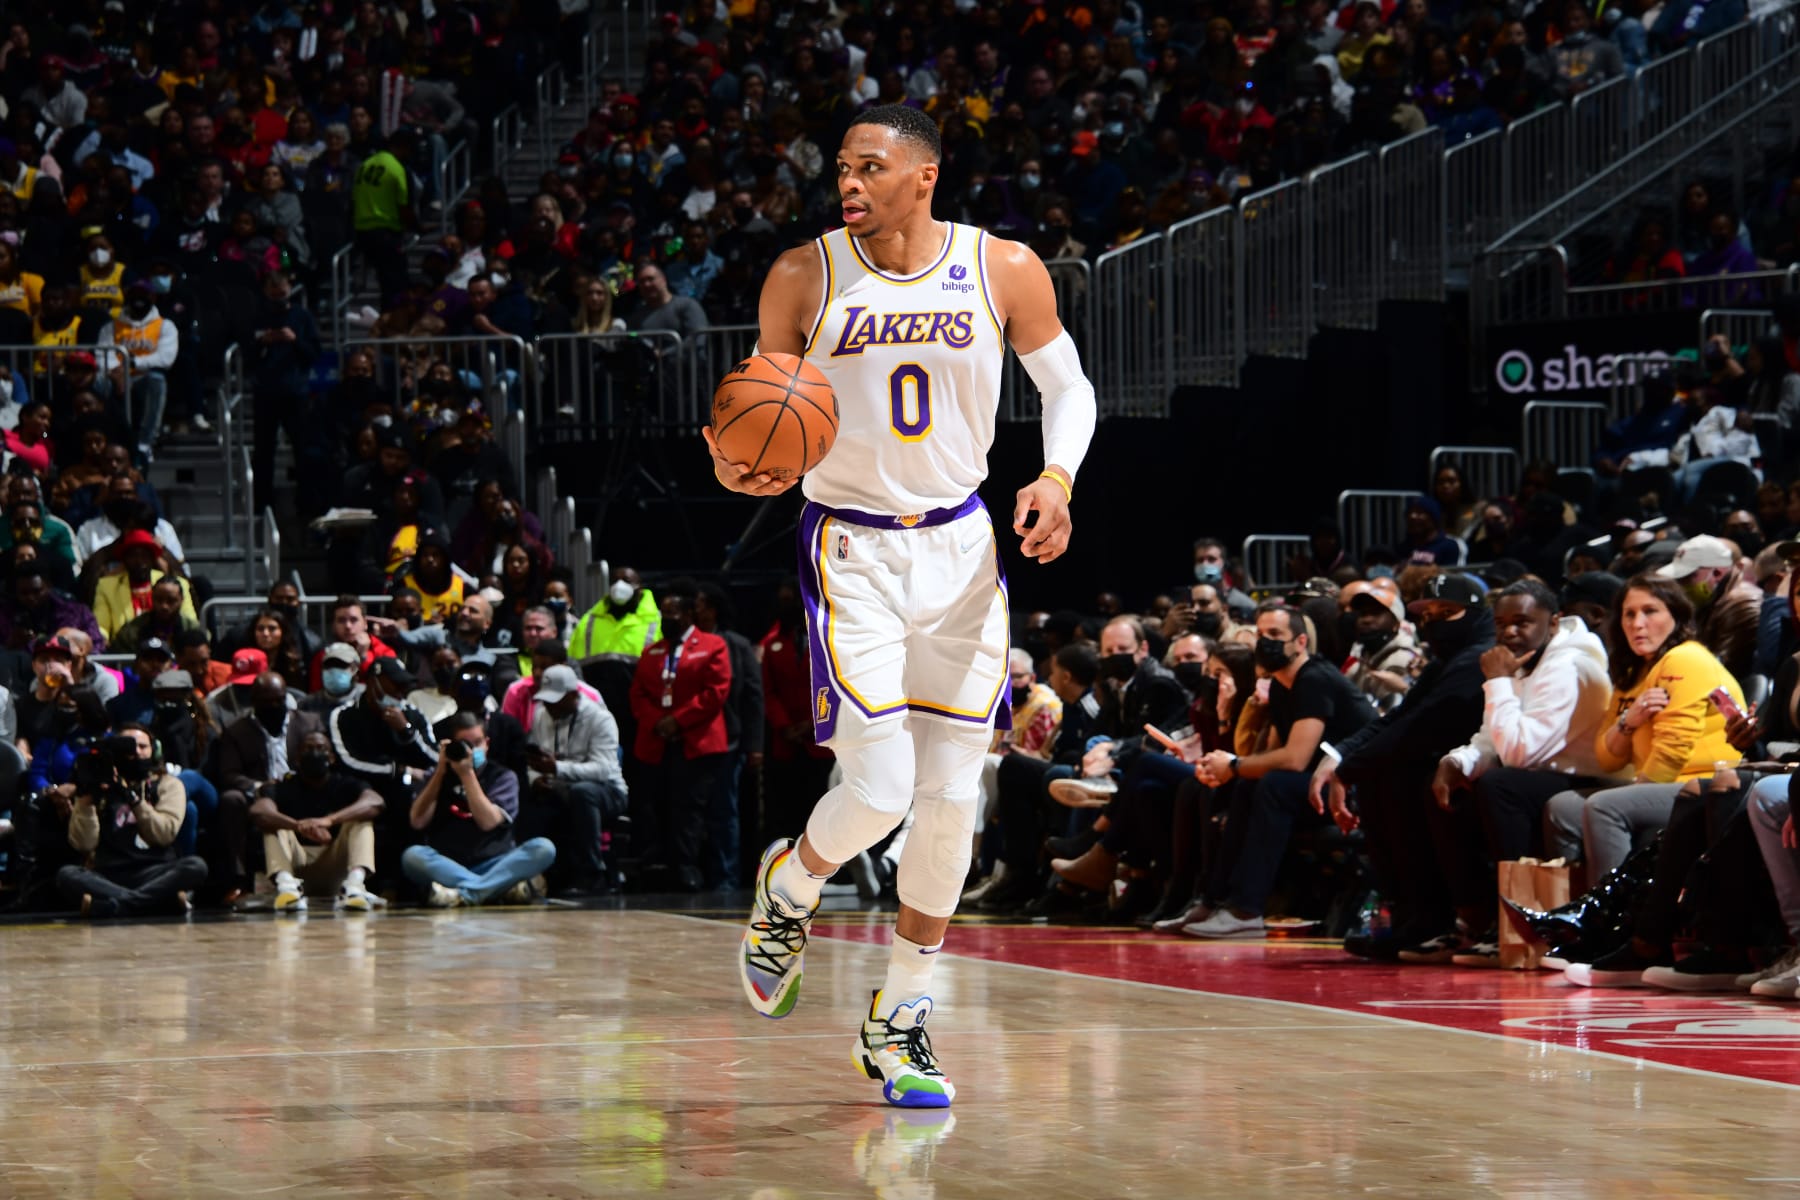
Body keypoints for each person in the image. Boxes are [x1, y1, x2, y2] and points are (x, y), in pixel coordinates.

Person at [709, 104, 1094, 1107]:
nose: (850, 181)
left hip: (962, 548)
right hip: (853, 551)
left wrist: (1056, 478)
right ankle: (793, 882)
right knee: (881, 789)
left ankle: (902, 1018)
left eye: (871, 166)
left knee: (952, 800)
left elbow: (1070, 389)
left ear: (925, 175)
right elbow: (762, 415)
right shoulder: (803, 275)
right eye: (843, 166)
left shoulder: (1002, 267)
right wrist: (743, 467)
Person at [1546, 576, 1744, 975]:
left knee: (1605, 806)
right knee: (1562, 806)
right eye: (1629, 614)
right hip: (1661, 783)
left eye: (1650, 612)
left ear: (1677, 617)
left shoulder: (1685, 659)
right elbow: (1606, 757)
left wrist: (1633, 793)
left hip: (1704, 782)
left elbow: (1673, 749)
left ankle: (1614, 931)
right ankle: (1573, 923)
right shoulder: (1634, 672)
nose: (1638, 623)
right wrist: (1630, 720)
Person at [1179, 601, 1374, 938]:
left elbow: (1294, 758)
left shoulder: (1314, 678)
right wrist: (1220, 768)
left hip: (1357, 791)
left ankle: (1246, 909)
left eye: (1275, 634)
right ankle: (1214, 900)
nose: (1265, 642)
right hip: (1315, 786)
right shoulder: (1282, 684)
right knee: (1246, 785)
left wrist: (1234, 766)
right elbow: (1268, 755)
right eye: (1260, 634)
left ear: (1300, 642)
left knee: (1273, 785)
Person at [628, 582, 732, 892]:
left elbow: (715, 692)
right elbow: (638, 694)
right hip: (657, 742)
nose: (666, 619)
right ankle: (656, 868)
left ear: (687, 615)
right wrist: (658, 722)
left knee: (690, 809)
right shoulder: (652, 650)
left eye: (671, 613)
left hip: (696, 742)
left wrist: (678, 720)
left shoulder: (712, 645)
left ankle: (687, 869)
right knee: (655, 806)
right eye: (663, 614)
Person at [402, 711, 556, 906]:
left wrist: (466, 775)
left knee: (543, 848)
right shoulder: (436, 775)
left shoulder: (503, 777)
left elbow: (487, 822)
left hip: (496, 864)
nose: (472, 750)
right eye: (465, 744)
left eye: (477, 743)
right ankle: (496, 889)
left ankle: (466, 894)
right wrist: (440, 772)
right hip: (448, 866)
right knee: (412, 856)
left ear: (487, 743)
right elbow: (417, 821)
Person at [55, 727, 206, 917]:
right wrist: (86, 803)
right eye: (129, 747)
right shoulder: (97, 783)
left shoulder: (168, 784)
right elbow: (84, 845)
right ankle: (157, 904)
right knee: (67, 874)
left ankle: (116, 906)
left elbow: (163, 835)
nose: (136, 752)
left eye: (143, 746)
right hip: (108, 874)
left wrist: (132, 798)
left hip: (155, 872)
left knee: (196, 866)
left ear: (154, 750)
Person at [521, 664, 628, 897]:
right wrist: (535, 778)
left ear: (573, 696)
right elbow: (533, 761)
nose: (549, 706)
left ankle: (593, 873)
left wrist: (557, 768)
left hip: (608, 791)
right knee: (530, 795)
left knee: (583, 793)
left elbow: (603, 770)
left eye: (555, 700)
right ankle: (539, 873)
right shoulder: (541, 713)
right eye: (546, 699)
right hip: (558, 786)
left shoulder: (600, 718)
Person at [251, 730, 385, 912]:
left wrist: (329, 820)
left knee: (361, 821)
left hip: (336, 865)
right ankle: (287, 888)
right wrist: (298, 826)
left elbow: (375, 802)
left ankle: (354, 887)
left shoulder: (345, 784)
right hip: (297, 865)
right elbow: (259, 812)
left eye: (321, 748)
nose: (314, 753)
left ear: (331, 758)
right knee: (272, 825)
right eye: (308, 748)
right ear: (297, 758)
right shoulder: (282, 787)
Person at [215, 672, 323, 897]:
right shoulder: (237, 730)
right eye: (267, 701)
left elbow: (323, 760)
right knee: (231, 799)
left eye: (278, 700)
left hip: (302, 787)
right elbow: (229, 773)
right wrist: (259, 786)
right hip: (261, 793)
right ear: (254, 701)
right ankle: (239, 881)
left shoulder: (309, 723)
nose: (274, 706)